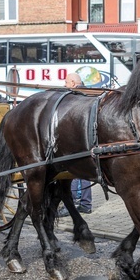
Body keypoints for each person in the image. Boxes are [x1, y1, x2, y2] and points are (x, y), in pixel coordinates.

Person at [61, 72, 93, 215]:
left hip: (77, 139)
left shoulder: (74, 96)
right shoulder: (88, 93)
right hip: (88, 139)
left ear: (73, 83)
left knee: (73, 171)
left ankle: (72, 204)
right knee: (85, 173)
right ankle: (86, 204)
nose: (65, 85)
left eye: (66, 82)